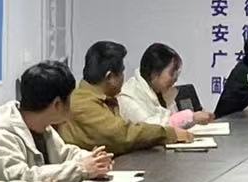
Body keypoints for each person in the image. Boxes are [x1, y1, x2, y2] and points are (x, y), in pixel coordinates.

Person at [0, 61, 114, 182]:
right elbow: (22, 178)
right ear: (57, 104)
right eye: (70, 99)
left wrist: (94, 159)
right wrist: (81, 169)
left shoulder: (42, 126)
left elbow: (64, 154)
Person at [62, 41, 192, 151]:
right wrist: (168, 134)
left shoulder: (103, 99)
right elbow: (122, 134)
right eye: (122, 72)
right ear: (110, 77)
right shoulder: (82, 102)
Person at [119, 43, 214, 130]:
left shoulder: (162, 91)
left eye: (177, 74)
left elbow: (172, 120)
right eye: (172, 73)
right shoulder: (128, 97)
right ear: (154, 73)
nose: (175, 79)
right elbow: (152, 129)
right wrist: (191, 117)